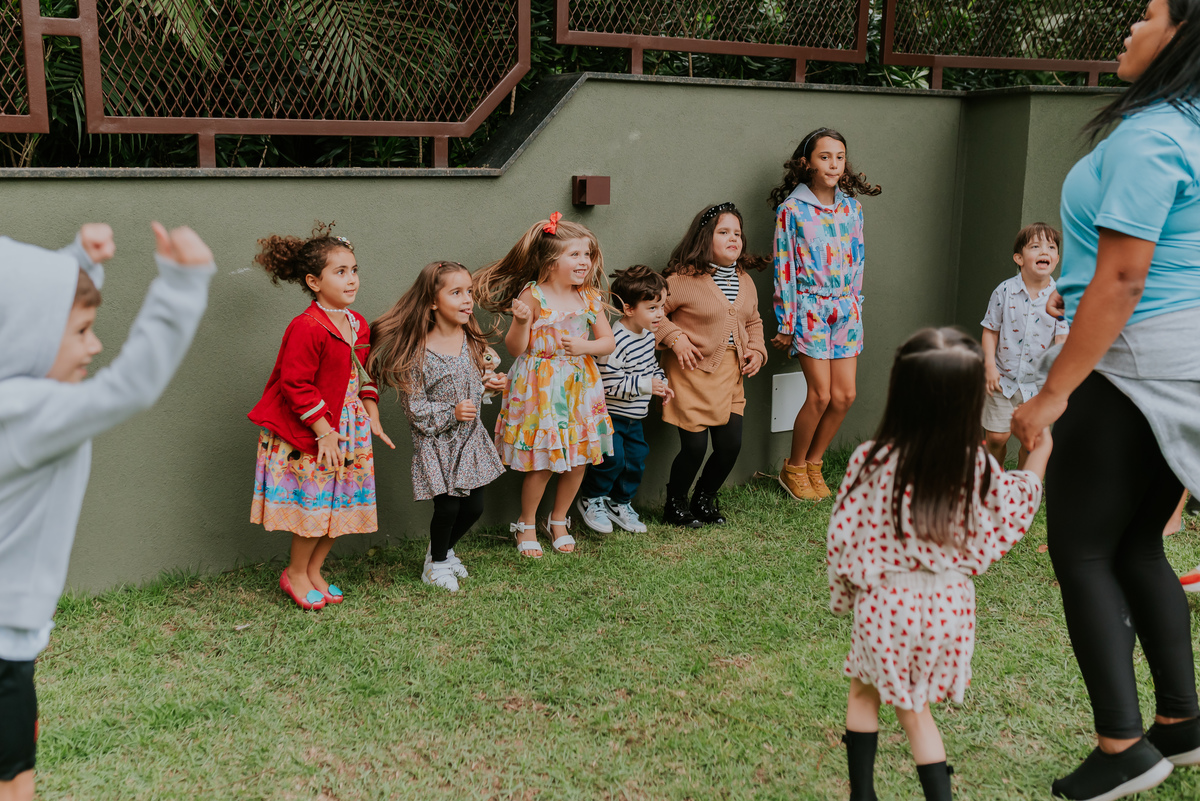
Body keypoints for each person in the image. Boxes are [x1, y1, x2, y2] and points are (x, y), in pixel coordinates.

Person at [1010, 1, 1200, 797]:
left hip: (1128, 368)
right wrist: (1081, 290)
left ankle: (1122, 746)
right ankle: (1182, 723)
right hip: (1173, 359)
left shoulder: (1152, 135)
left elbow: (1124, 278)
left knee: (1081, 550)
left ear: (1183, 32)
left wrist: (1051, 394)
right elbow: (1144, 262)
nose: (1130, 27)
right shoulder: (1189, 126)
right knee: (1137, 545)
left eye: (1147, 13)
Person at [0, 222, 215, 801]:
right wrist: (181, 286)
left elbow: (20, 302)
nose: (95, 346)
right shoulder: (29, 413)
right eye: (82, 331)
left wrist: (81, 262)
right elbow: (128, 388)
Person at [829, 328, 1051, 801]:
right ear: (970, 399)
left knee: (865, 694)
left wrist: (844, 596)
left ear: (900, 389)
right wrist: (1039, 456)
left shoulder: (870, 460)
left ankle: (862, 795)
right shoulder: (975, 466)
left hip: (887, 603)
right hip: (950, 607)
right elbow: (1014, 507)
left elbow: (844, 537)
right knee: (917, 711)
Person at [248, 224, 394, 610]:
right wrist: (324, 432)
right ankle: (295, 573)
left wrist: (372, 415)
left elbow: (363, 374)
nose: (352, 279)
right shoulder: (306, 326)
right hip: (317, 431)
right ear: (314, 282)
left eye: (354, 270)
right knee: (314, 506)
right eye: (340, 272)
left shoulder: (357, 323)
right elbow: (295, 384)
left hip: (350, 429)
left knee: (340, 504)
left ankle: (314, 570)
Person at [474, 213, 615, 557]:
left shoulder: (589, 297)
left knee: (578, 459)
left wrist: (585, 347)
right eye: (575, 254)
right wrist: (522, 321)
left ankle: (559, 519)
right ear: (551, 262)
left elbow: (607, 342)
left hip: (579, 386)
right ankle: (525, 523)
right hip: (540, 386)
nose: (584, 262)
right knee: (543, 462)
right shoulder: (533, 294)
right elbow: (515, 349)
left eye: (587, 254)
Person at [368, 261, 507, 591]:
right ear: (432, 300)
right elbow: (415, 409)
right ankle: (436, 566)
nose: (467, 299)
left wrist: (488, 385)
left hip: (470, 440)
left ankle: (440, 551)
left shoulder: (471, 341)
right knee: (447, 507)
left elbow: (472, 386)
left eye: (469, 291)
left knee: (474, 507)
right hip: (436, 444)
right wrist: (452, 412)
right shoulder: (415, 353)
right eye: (456, 292)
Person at [770, 128, 881, 501]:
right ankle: (794, 468)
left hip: (846, 310)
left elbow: (858, 257)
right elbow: (784, 269)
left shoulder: (852, 208)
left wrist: (854, 304)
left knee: (845, 395)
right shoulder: (791, 211)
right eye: (825, 157)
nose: (834, 164)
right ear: (807, 163)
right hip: (810, 310)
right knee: (819, 395)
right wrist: (787, 322)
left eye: (839, 157)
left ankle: (814, 464)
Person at [656, 203, 769, 527]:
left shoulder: (745, 281)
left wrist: (757, 350)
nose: (733, 238)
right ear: (704, 237)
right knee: (694, 448)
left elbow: (753, 321)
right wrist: (675, 338)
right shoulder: (681, 280)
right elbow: (653, 314)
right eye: (723, 232)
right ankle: (675, 504)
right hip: (691, 376)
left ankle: (704, 498)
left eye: (737, 233)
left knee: (730, 445)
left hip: (731, 376)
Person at [575, 265, 675, 534]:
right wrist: (645, 385)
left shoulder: (647, 336)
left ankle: (619, 502)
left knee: (636, 459)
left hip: (635, 417)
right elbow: (607, 385)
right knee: (612, 459)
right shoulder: (616, 340)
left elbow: (651, 367)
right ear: (629, 309)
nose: (660, 314)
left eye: (662, 306)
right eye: (652, 308)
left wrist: (661, 382)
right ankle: (592, 498)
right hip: (611, 416)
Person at [981, 223, 1070, 468]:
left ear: (1057, 258)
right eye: (1035, 246)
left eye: (1051, 247)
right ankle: (993, 479)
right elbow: (990, 331)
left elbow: (1062, 340)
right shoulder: (1004, 291)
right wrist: (989, 366)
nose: (1044, 251)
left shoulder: (1060, 297)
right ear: (1019, 258)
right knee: (996, 437)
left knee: (1030, 442)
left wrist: (1058, 381)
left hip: (1038, 385)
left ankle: (1023, 482)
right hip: (1002, 379)